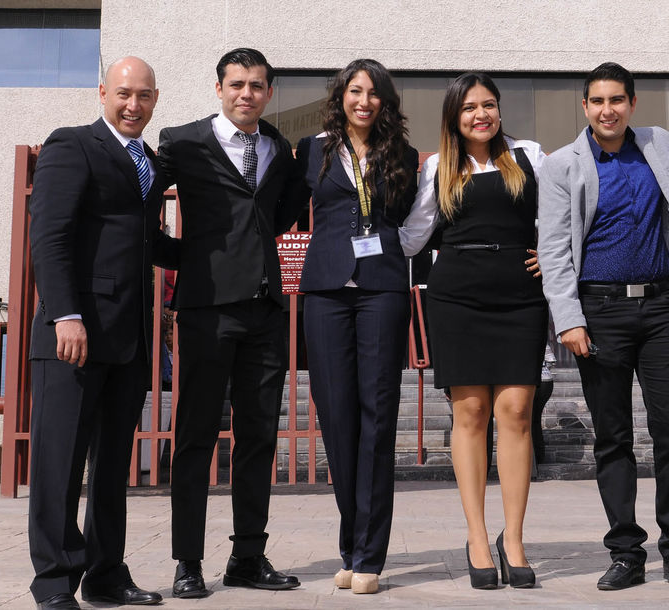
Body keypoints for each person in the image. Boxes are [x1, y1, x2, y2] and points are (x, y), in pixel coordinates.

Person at [537, 62, 669, 592]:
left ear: (632, 103)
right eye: (597, 101)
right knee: (613, 438)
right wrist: (568, 318)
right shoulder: (562, 165)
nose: (607, 110)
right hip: (599, 312)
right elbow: (553, 249)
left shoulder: (659, 144)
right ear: (585, 106)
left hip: (660, 308)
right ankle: (626, 553)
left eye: (617, 100)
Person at [157, 48, 309, 599]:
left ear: (268, 92)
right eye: (237, 84)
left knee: (258, 437)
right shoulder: (181, 142)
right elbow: (144, 213)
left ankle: (248, 556)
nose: (247, 93)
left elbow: (281, 215)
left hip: (265, 311)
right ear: (219, 88)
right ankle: (188, 562)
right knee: (195, 436)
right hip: (207, 310)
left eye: (257, 85)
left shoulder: (279, 149)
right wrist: (187, 259)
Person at [27, 56, 177, 610]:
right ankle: (54, 582)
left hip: (128, 340)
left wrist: (224, 250)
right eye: (123, 94)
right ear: (103, 93)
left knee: (112, 468)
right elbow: (50, 235)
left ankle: (106, 574)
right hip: (74, 336)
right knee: (60, 466)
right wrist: (65, 314)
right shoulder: (72, 145)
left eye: (144, 95)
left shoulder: (148, 162)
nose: (133, 105)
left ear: (155, 98)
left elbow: (148, 241)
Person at [400, 72, 545, 590]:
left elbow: (561, 216)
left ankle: (515, 539)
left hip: (520, 296)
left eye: (487, 105)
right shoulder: (437, 168)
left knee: (517, 412)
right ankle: (478, 537)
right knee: (472, 413)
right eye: (468, 108)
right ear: (454, 117)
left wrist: (554, 255)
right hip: (457, 297)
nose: (480, 115)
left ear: (499, 110)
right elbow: (412, 238)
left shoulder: (530, 156)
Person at [295, 59, 419, 594]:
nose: (363, 101)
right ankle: (351, 543)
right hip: (325, 291)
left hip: (382, 290)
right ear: (340, 96)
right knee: (337, 418)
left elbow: (416, 218)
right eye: (354, 91)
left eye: (373, 93)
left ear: (385, 102)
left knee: (377, 418)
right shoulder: (311, 150)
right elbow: (281, 208)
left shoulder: (404, 155)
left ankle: (369, 554)